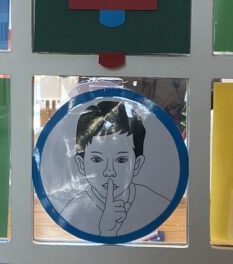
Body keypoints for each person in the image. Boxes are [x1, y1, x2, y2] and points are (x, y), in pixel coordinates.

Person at [59, 99, 169, 238]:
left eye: (121, 160)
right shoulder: (73, 211)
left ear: (137, 164)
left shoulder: (154, 202)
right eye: (97, 159)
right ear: (81, 164)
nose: (109, 171)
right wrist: (107, 231)